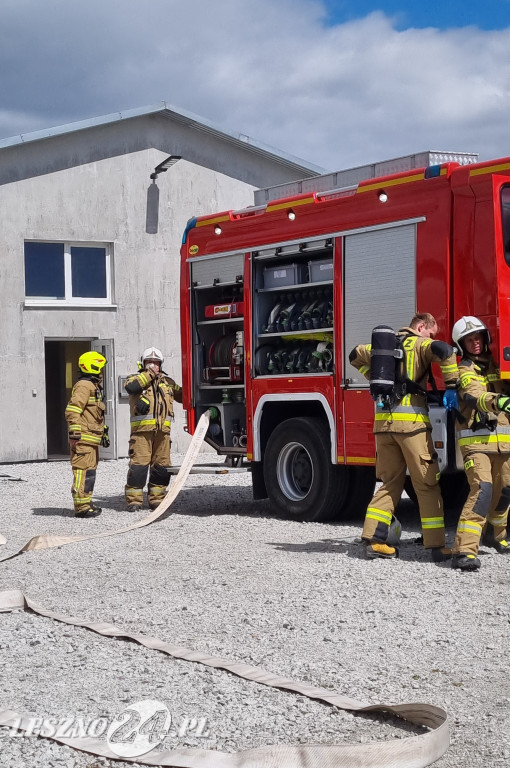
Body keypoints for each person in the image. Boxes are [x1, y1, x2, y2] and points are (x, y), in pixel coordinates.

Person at [349, 313, 459, 561]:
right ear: (421, 327)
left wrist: (371, 377)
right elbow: (444, 350)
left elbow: (353, 355)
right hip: (412, 427)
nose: (433, 338)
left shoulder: (381, 346)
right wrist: (452, 385)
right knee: (427, 484)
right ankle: (437, 546)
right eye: (431, 332)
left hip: (383, 427)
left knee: (389, 484)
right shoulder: (420, 344)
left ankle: (374, 541)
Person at [450, 316, 510, 571]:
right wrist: (500, 401)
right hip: (477, 443)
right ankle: (464, 550)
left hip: (503, 442)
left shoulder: (498, 366)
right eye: (469, 340)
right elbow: (476, 396)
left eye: (478, 338)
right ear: (462, 344)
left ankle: (497, 536)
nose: (475, 343)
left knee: (505, 490)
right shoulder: (464, 371)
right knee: (482, 491)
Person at [124, 347, 182, 511]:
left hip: (163, 434)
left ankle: (157, 500)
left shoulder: (167, 383)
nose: (153, 365)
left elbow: (184, 396)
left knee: (162, 468)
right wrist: (149, 374)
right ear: (143, 363)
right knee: (138, 468)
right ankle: (134, 501)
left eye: (156, 363)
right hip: (141, 433)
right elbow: (130, 388)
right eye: (150, 362)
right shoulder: (135, 379)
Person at [65, 351, 108, 518]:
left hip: (90, 439)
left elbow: (92, 415)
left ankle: (86, 503)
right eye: (100, 368)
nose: (102, 372)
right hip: (82, 439)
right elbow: (72, 410)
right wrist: (75, 433)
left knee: (89, 472)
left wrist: (102, 433)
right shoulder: (84, 386)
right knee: (82, 471)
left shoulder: (92, 386)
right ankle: (81, 508)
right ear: (93, 367)